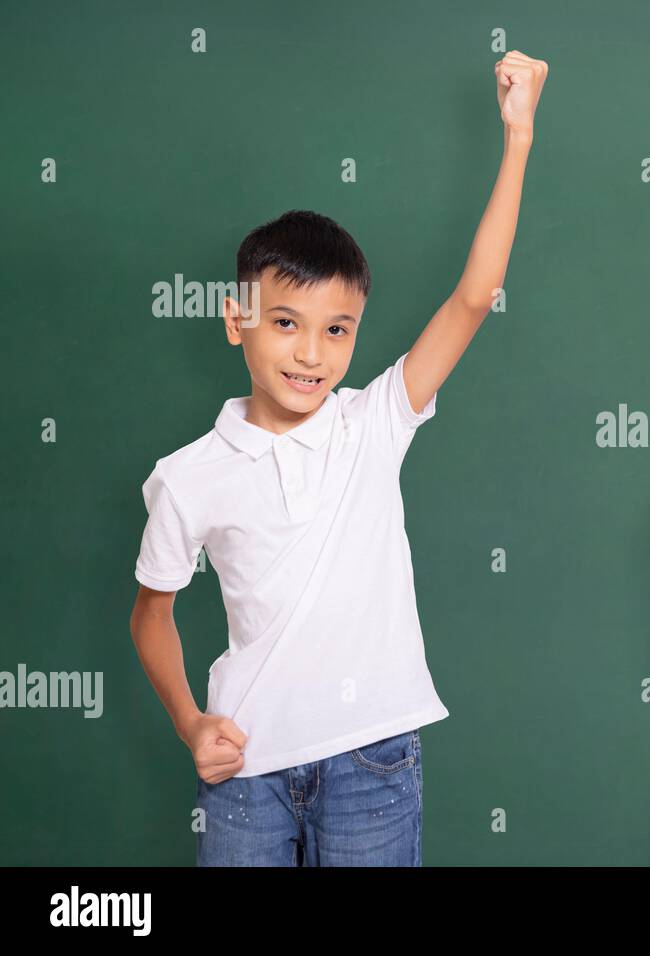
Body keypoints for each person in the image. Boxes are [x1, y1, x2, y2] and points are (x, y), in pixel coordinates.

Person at [127, 51, 548, 866]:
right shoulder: (187, 477)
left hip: (373, 760)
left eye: (337, 329)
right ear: (233, 319)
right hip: (245, 767)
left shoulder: (375, 421)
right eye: (284, 323)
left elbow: (473, 295)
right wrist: (191, 722)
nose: (311, 354)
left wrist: (519, 135)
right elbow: (151, 615)